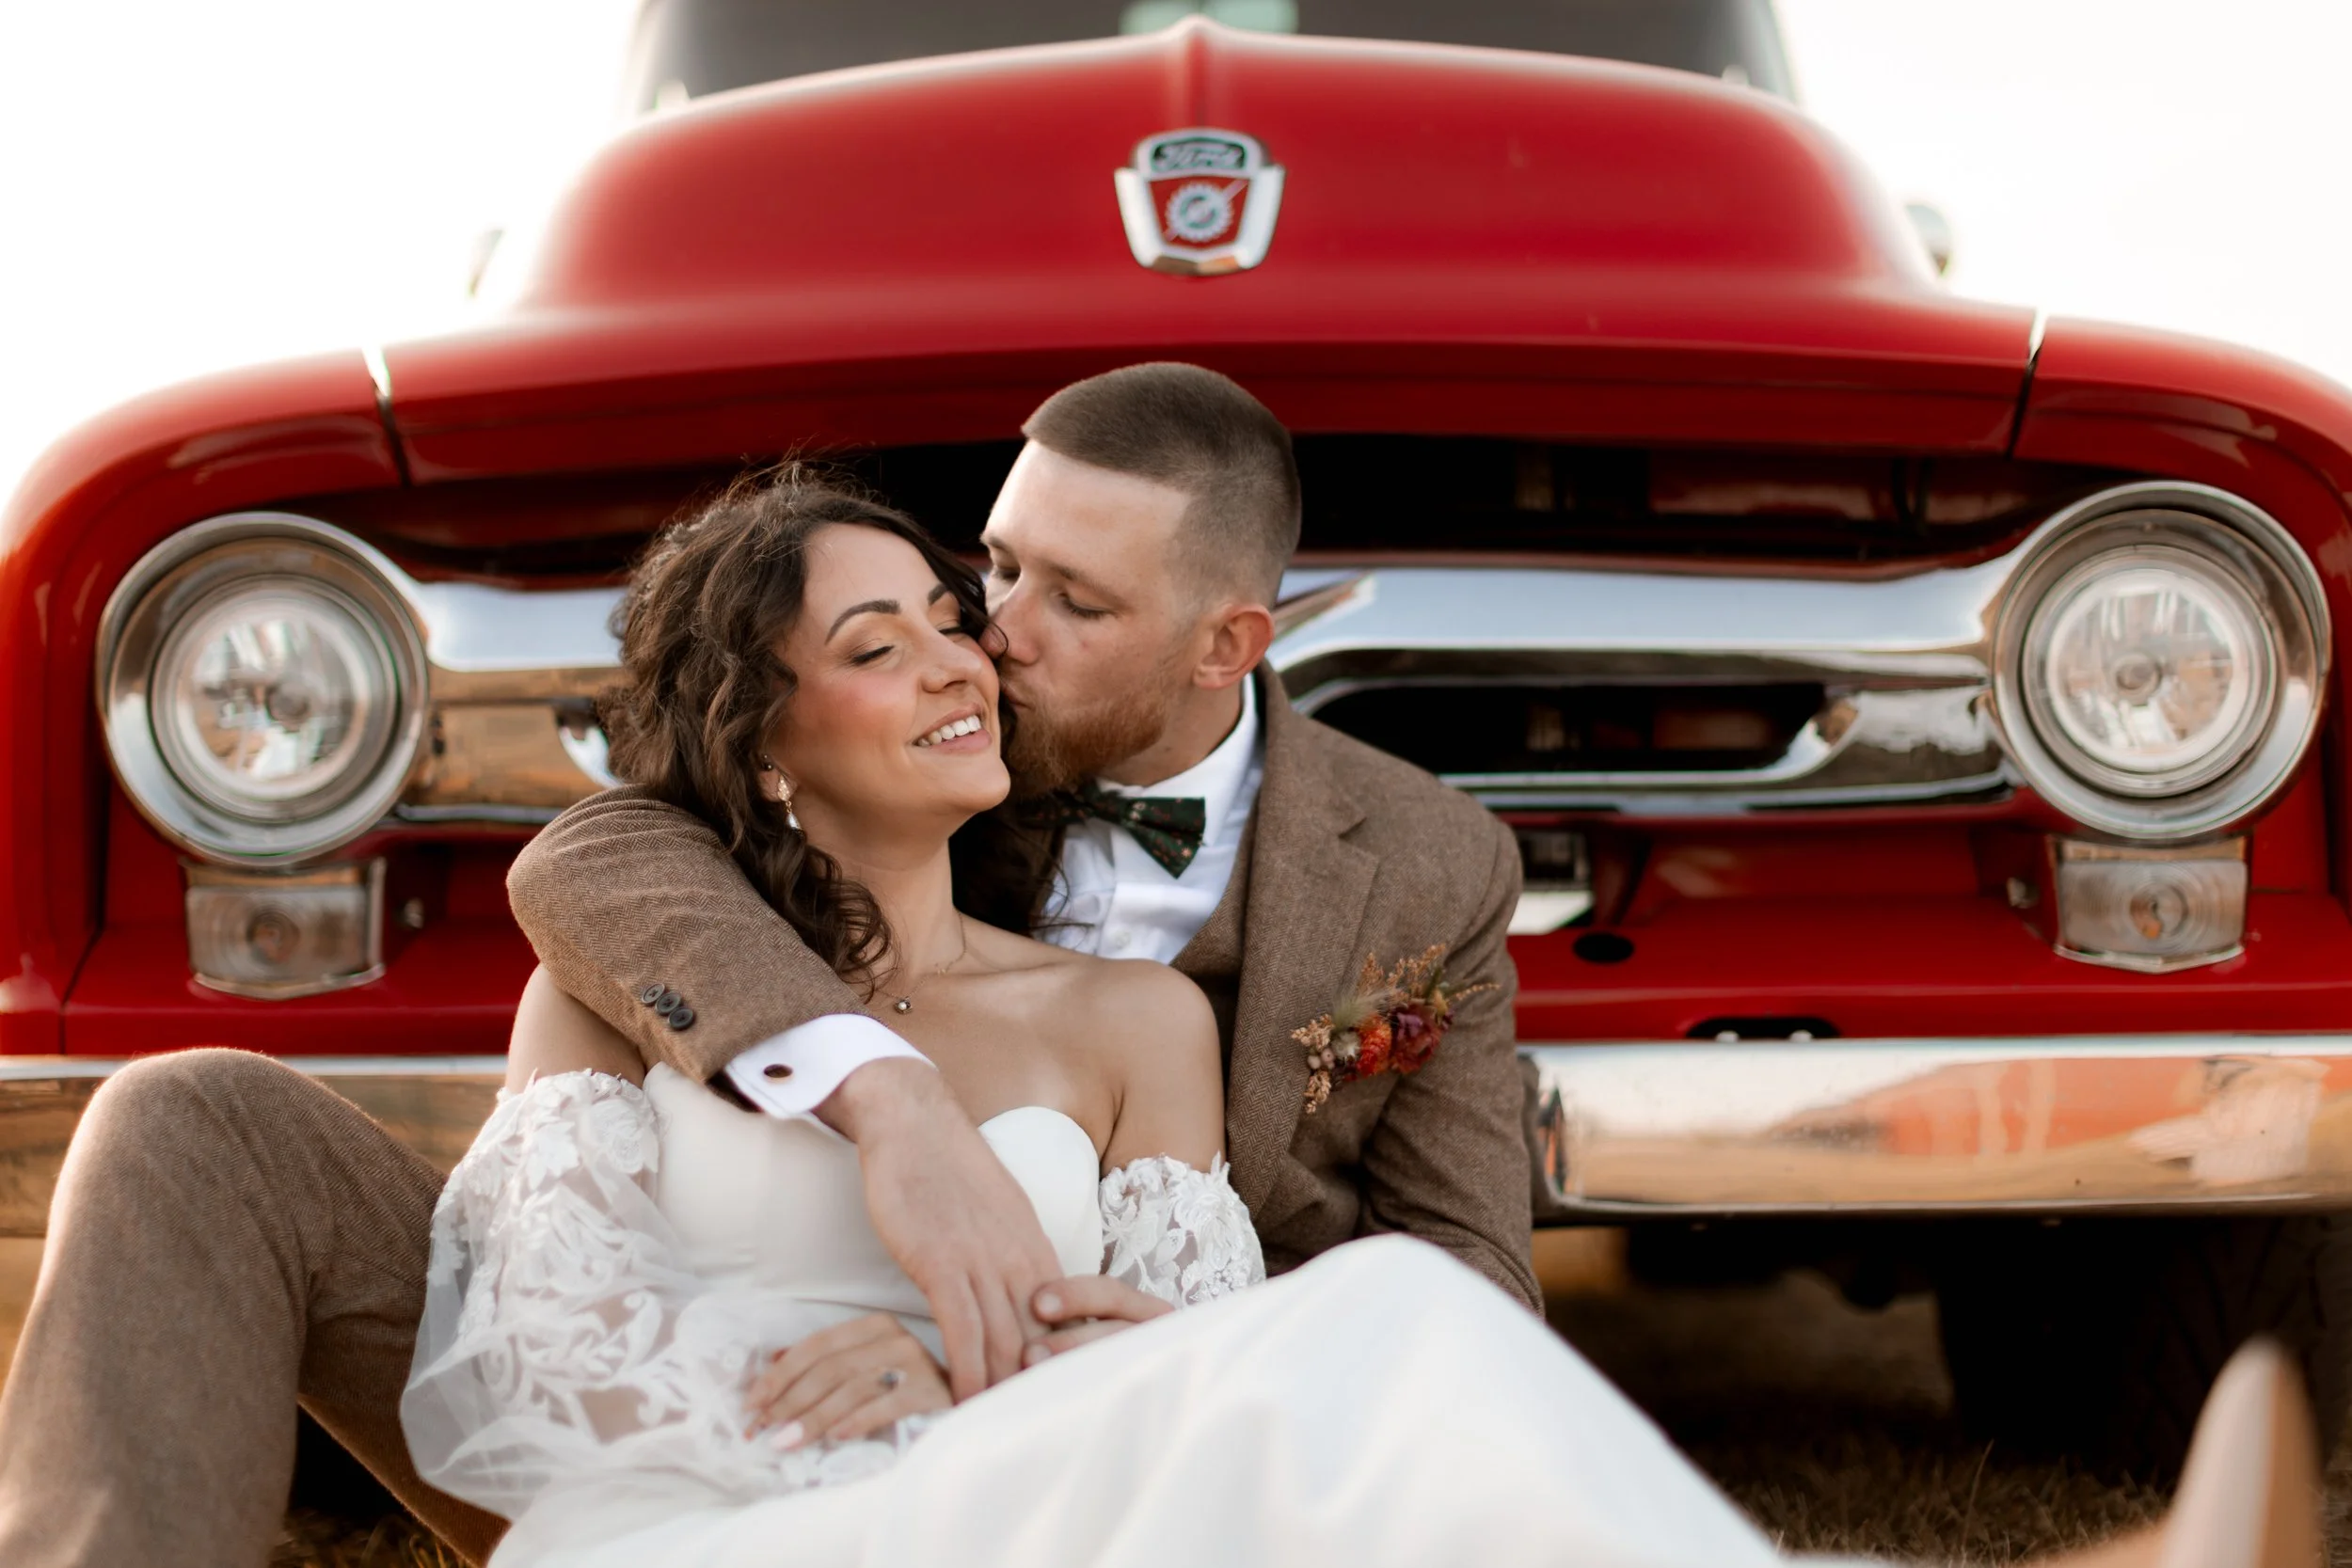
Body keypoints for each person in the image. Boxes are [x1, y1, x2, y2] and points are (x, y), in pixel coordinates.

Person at [409, 474, 2323, 1568]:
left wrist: (968, 1380)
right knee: (1360, 1352)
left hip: (1028, 1478)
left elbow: (1206, 1342)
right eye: (869, 643)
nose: (952, 656)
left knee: (1376, 1331)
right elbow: (533, 1373)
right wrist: (865, 1404)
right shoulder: (613, 986)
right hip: (720, 1532)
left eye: (941, 609)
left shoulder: (1123, 1012)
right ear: (761, 736)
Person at [501, 364, 1536, 1409]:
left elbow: (1471, 1266)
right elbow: (584, 855)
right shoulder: (931, 748)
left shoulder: (1431, 862)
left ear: (1224, 645)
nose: (999, 634)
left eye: (1077, 601)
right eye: (995, 569)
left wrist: (1174, 1368)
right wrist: (889, 1095)